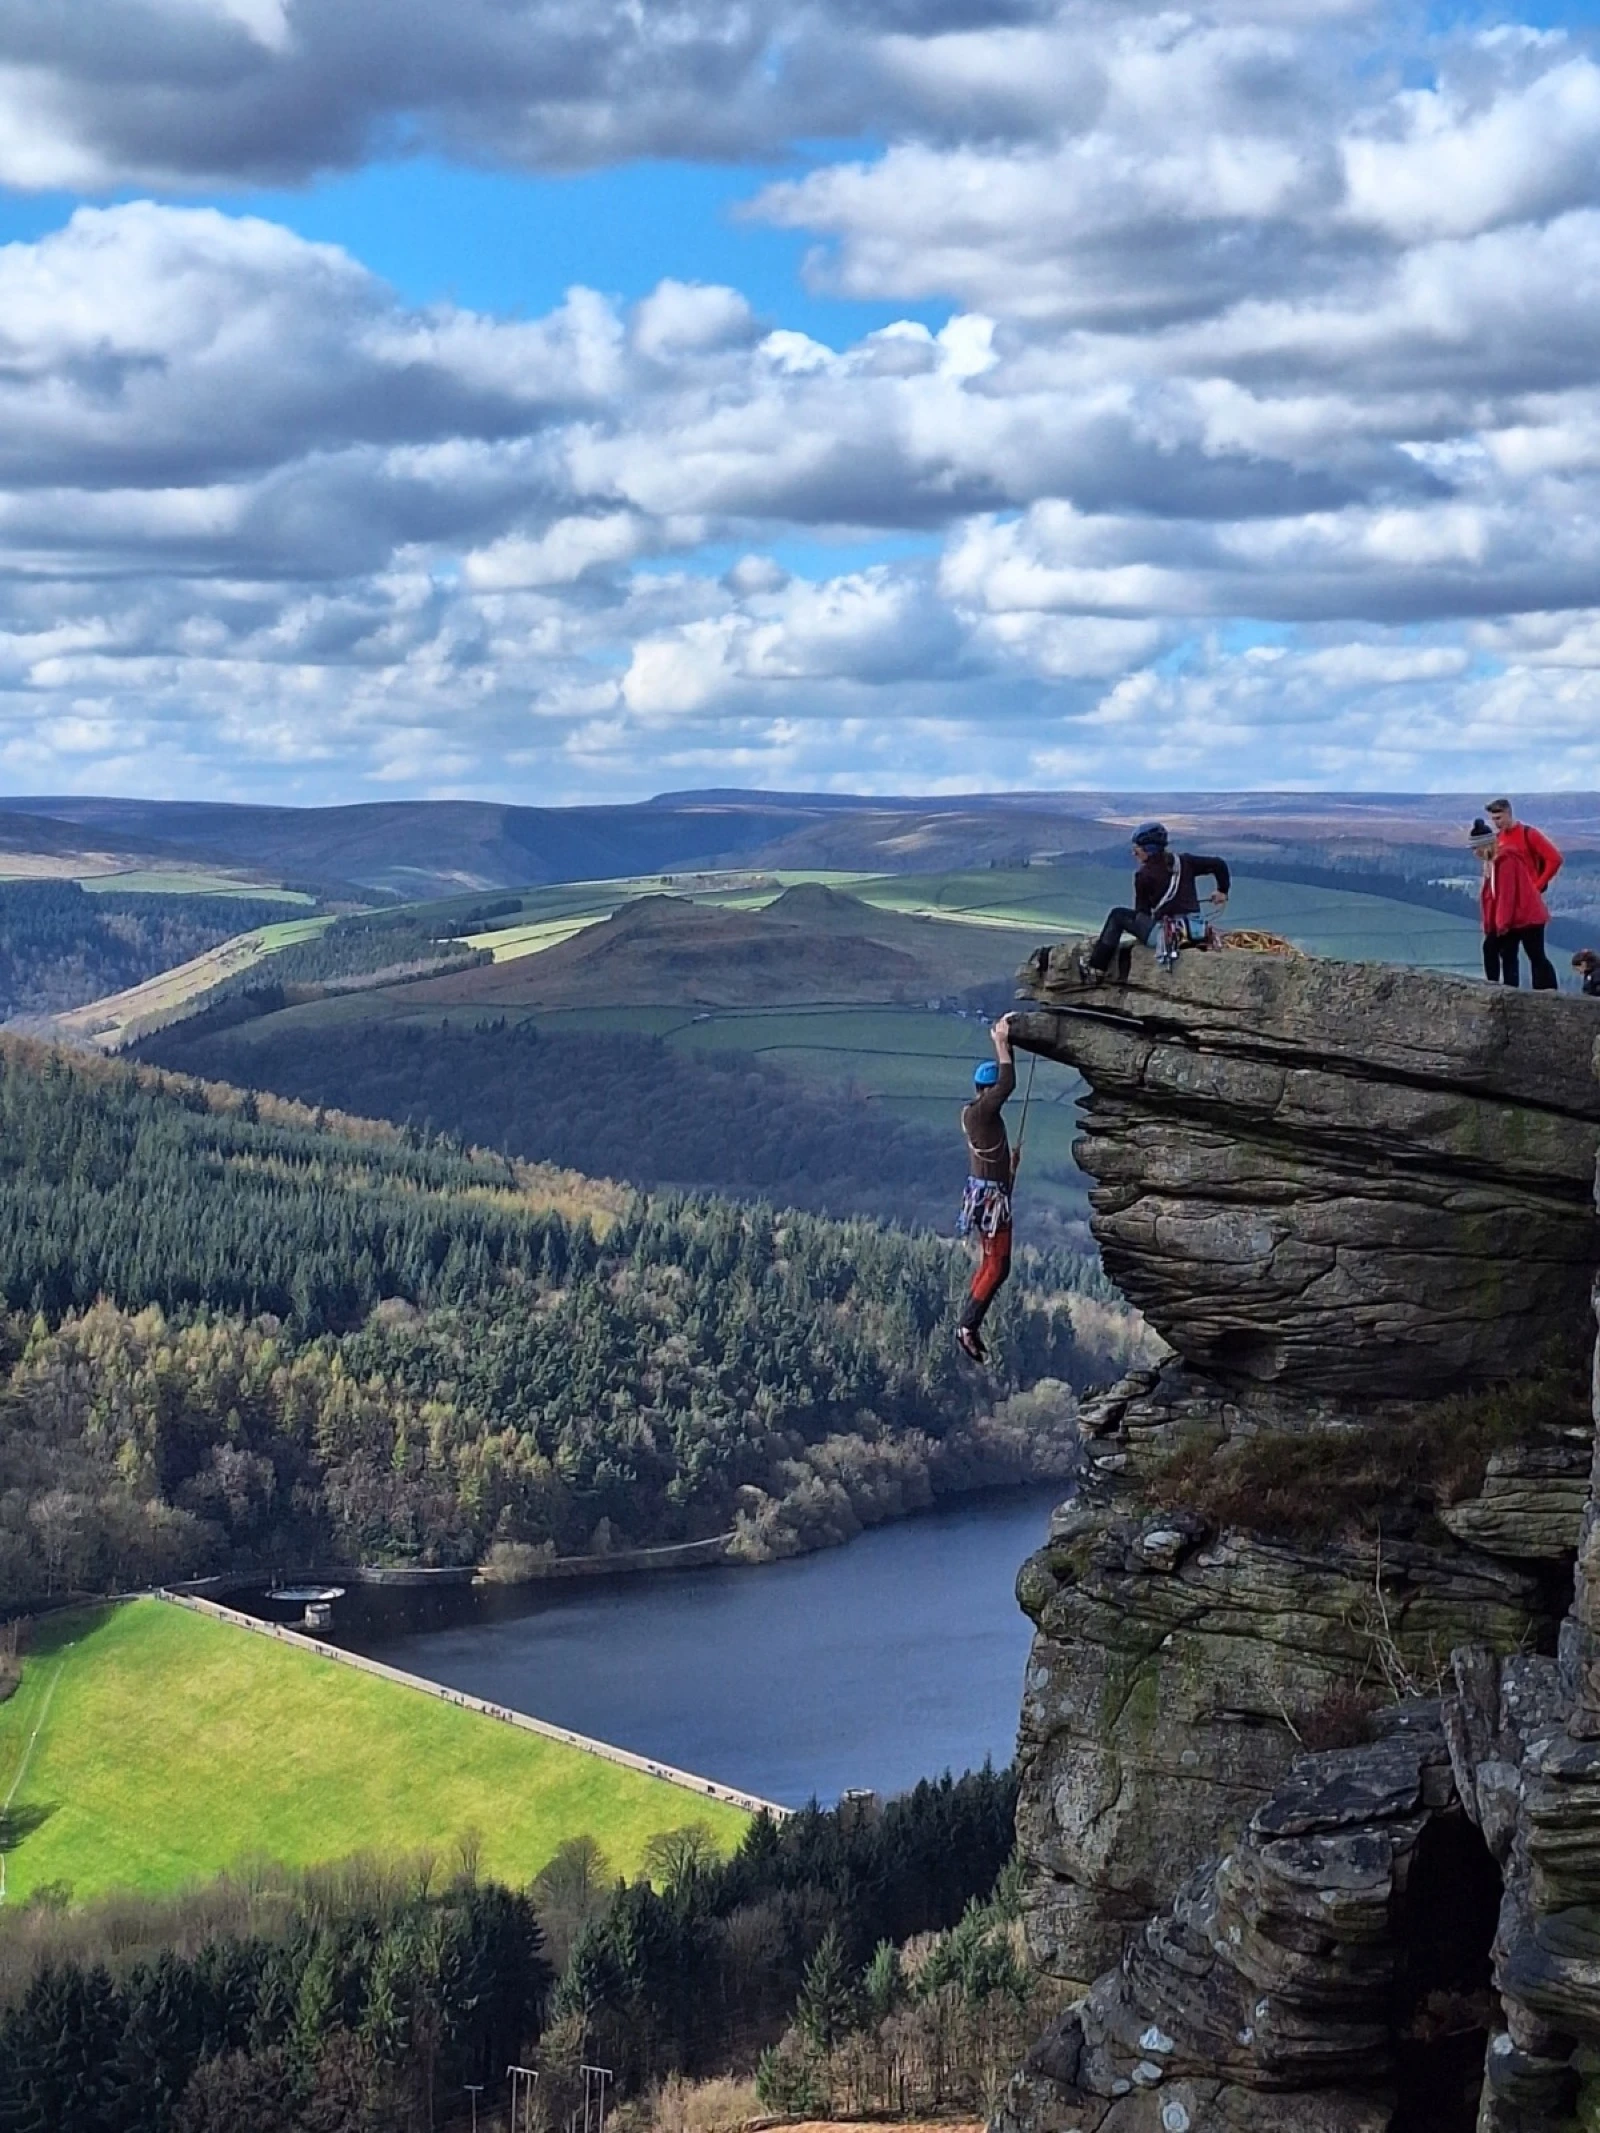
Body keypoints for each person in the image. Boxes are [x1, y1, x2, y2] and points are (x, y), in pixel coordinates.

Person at [1083, 822, 1231, 979]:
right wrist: (1222, 891)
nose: (1134, 853)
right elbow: (1218, 864)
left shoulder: (1143, 875)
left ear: (1148, 849)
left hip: (1167, 936)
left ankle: (1096, 968)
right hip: (1194, 931)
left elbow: (1142, 913)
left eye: (1137, 849)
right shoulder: (1184, 862)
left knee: (1117, 915)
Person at [955, 1014, 1017, 1364]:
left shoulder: (980, 1116)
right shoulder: (981, 1114)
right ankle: (967, 1325)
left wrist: (1010, 1168)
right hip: (991, 1200)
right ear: (986, 1090)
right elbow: (1006, 1084)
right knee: (997, 1266)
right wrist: (1002, 1044)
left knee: (994, 1263)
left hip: (990, 1194)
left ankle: (968, 1321)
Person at [1472, 814, 1557, 989]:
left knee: (1534, 955)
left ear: (1486, 845)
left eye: (1477, 847)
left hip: (1526, 916)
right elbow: (1491, 897)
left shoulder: (1506, 860)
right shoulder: (1494, 863)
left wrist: (1500, 925)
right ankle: (1506, 988)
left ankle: (1545, 991)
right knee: (1505, 952)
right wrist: (1492, 925)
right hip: (1516, 917)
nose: (1475, 852)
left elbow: (1506, 895)